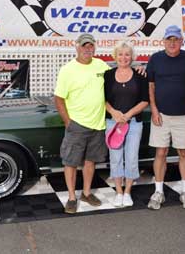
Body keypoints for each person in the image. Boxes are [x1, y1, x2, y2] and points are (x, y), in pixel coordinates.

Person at [54, 33, 110, 214]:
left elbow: (120, 74)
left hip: (98, 125)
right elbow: (59, 99)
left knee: (90, 161)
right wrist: (68, 123)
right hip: (77, 125)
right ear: (77, 46)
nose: (88, 49)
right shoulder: (67, 69)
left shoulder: (101, 65)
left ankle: (86, 193)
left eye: (91, 46)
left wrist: (138, 68)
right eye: (84, 45)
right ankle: (71, 197)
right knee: (70, 162)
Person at [146, 25, 185, 210]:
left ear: (181, 41)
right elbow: (151, 86)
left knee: (184, 154)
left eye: (176, 39)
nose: (172, 43)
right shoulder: (156, 59)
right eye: (169, 39)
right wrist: (154, 110)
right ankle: (158, 191)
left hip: (184, 115)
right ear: (164, 41)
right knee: (161, 153)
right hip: (161, 116)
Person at [104, 41, 149, 207]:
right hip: (113, 123)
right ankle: (118, 191)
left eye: (127, 54)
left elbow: (145, 100)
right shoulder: (108, 75)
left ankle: (128, 191)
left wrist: (128, 114)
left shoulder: (140, 75)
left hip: (134, 124)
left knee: (131, 158)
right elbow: (103, 100)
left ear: (132, 57)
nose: (124, 57)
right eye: (120, 54)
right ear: (115, 56)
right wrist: (114, 113)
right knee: (115, 158)